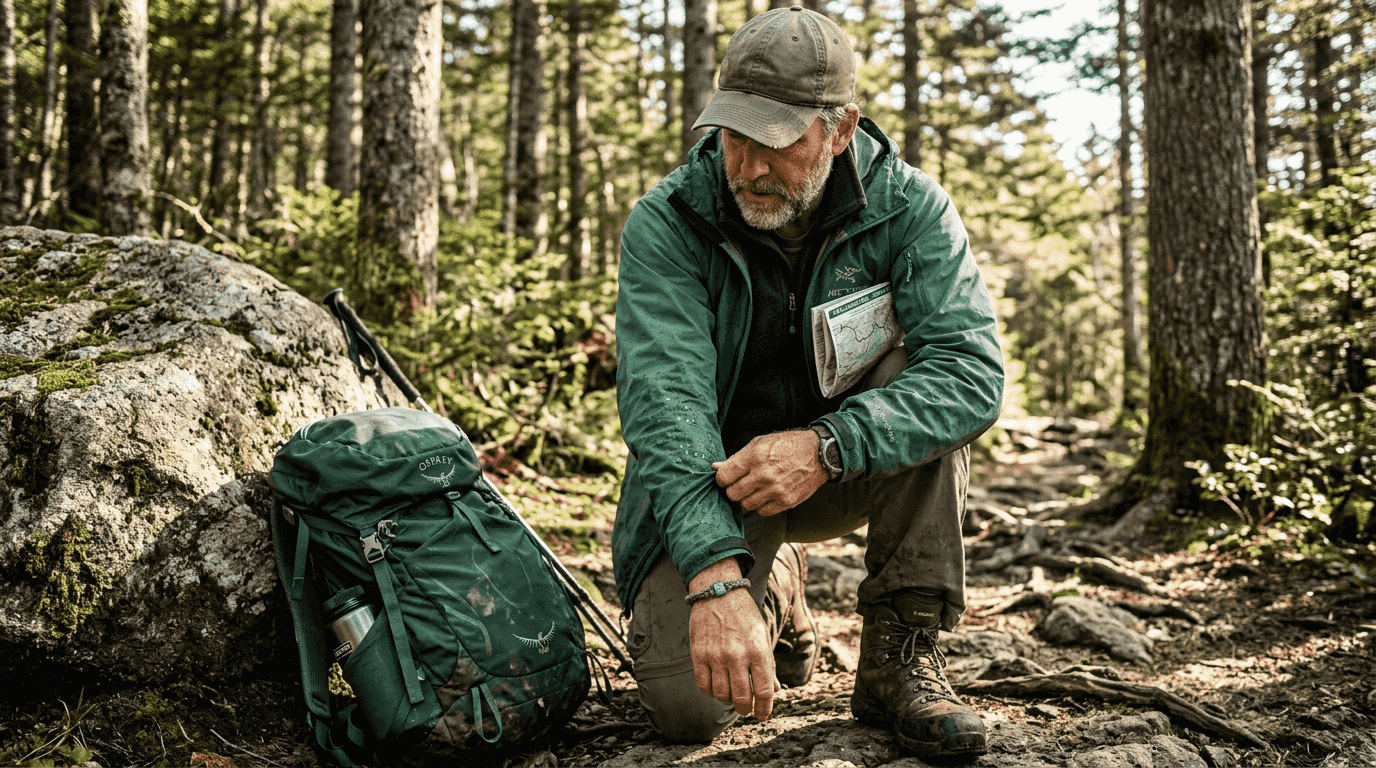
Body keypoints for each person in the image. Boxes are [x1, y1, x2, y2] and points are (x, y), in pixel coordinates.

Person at [611, 6, 1004, 761]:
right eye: (734, 136)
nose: (750, 167)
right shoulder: (668, 221)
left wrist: (828, 445)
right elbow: (666, 402)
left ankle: (902, 656)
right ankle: (775, 581)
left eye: (779, 142)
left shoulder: (910, 208)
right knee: (689, 711)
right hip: (721, 481)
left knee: (919, 384)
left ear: (842, 128)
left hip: (848, 465)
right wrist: (715, 579)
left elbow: (971, 374)